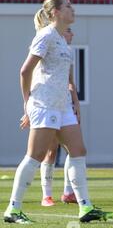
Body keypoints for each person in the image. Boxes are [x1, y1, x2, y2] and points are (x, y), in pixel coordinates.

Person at [4, 0, 113, 224]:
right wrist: (27, 105)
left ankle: (85, 207)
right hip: (44, 104)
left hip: (62, 106)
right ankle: (13, 210)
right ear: (55, 12)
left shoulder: (63, 41)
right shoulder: (45, 36)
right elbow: (25, 71)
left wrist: (73, 102)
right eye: (68, 6)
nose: (73, 9)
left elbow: (66, 78)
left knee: (79, 150)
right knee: (35, 156)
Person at [33, 27, 78, 206]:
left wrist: (76, 104)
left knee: (74, 149)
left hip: (65, 105)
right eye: (69, 31)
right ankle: (47, 195)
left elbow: (70, 82)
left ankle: (68, 192)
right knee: (49, 150)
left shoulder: (69, 52)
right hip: (48, 105)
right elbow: (31, 74)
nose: (72, 34)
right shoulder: (48, 46)